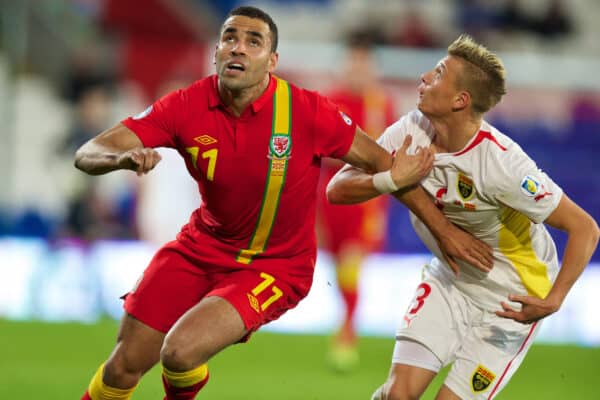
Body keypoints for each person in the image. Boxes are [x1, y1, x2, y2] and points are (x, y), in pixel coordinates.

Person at [74, 7, 493, 400]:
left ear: (272, 61)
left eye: (253, 41)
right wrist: (118, 159)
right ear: (216, 52)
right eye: (229, 38)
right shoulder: (184, 106)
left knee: (180, 351)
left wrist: (446, 231)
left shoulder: (306, 111)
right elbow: (88, 152)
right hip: (200, 246)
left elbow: (389, 167)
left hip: (275, 265)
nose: (238, 46)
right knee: (122, 368)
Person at [327, 34, 600, 400]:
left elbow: (585, 227)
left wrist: (555, 299)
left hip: (509, 303)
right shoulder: (412, 128)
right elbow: (337, 189)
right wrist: (393, 178)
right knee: (397, 395)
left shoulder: (502, 163)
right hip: (450, 281)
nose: (423, 77)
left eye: (438, 73)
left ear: (461, 100)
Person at [316, 33, 396, 372]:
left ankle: (346, 337)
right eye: (354, 62)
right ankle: (345, 323)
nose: (358, 69)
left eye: (364, 63)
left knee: (351, 265)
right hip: (330, 198)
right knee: (338, 269)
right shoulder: (329, 101)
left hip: (364, 200)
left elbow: (387, 154)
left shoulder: (382, 105)